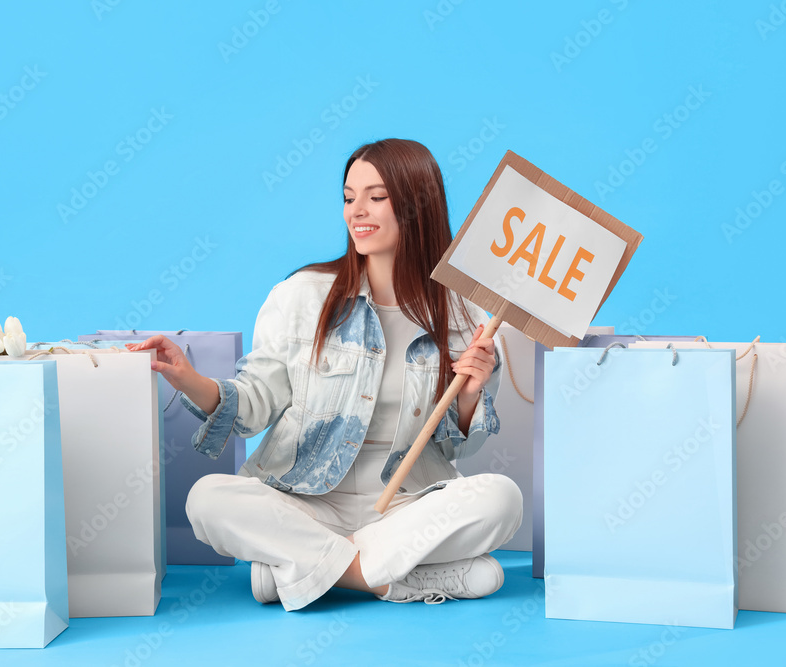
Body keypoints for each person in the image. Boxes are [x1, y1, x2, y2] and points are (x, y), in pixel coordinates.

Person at [127, 138, 522, 611]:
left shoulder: (464, 315)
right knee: (208, 500)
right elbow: (255, 405)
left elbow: (463, 447)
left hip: (405, 505)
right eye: (349, 197)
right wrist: (189, 378)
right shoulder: (302, 296)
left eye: (377, 197)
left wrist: (471, 396)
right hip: (306, 503)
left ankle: (303, 569)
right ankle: (386, 578)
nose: (358, 210)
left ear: (420, 204)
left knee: (502, 498)